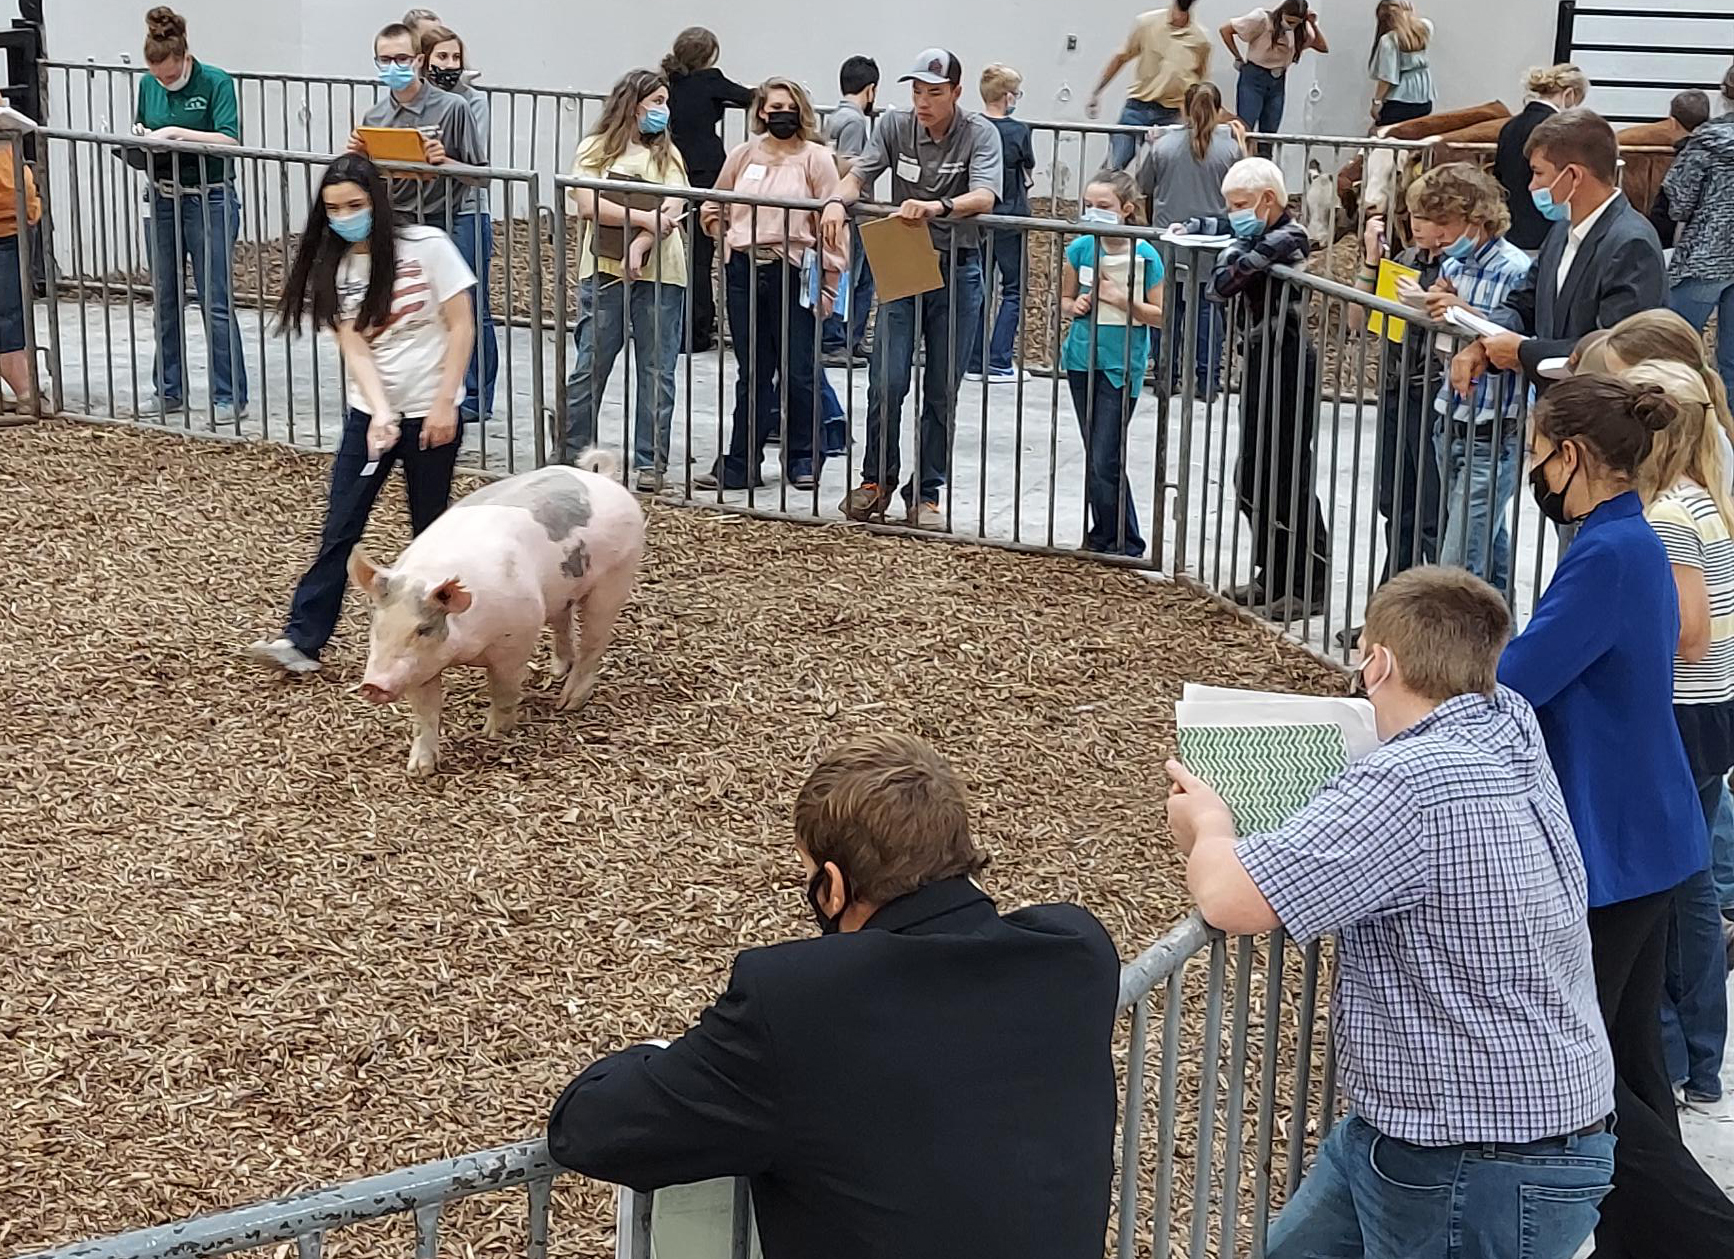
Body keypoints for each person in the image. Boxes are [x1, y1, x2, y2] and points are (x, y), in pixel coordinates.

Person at [1166, 565, 1616, 1259]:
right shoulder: (1509, 720)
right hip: (1428, 1132)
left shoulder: (1412, 781)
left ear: (1377, 662)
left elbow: (1230, 897)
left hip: (1472, 1156)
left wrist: (1210, 823)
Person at [545, 733, 1121, 1259]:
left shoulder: (801, 1000)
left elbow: (591, 1129)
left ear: (833, 886)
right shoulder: (1073, 952)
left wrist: (652, 1053)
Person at [1498, 373, 1734, 1254]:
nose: (1532, 467)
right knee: (1630, 1059)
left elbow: (1521, 676)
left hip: (1615, 843)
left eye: (1537, 451)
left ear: (1574, 456)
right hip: (1647, 831)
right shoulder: (1625, 536)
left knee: (1580, 1077)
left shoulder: (1604, 553)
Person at [249, 154, 474, 676]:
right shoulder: (336, 265)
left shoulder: (428, 247)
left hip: (431, 408)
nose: (345, 216)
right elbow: (353, 347)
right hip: (371, 413)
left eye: (355, 205)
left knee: (430, 529)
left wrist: (444, 403)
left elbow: (461, 325)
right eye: (333, 209)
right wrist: (378, 412)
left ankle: (445, 637)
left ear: (377, 200)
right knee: (341, 525)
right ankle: (304, 638)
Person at [820, 48, 1000, 531]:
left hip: (959, 268)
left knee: (941, 388)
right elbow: (860, 175)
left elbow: (985, 194)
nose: (923, 102)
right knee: (886, 379)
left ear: (956, 94)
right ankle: (875, 480)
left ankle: (927, 492)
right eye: (917, 91)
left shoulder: (981, 132)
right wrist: (837, 201)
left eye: (934, 93)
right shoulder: (893, 126)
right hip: (904, 261)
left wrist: (936, 206)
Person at [1630, 359, 1733, 1107]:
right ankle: (1698, 1057)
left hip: (1680, 712)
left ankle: (1673, 1051)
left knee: (1672, 891)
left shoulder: (1669, 515)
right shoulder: (1709, 503)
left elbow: (1689, 634)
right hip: (1710, 712)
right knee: (1690, 885)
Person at [1182, 157, 1326, 620]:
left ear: (1268, 200)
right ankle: (1272, 572)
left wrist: (1230, 255)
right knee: (1253, 474)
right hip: (1261, 356)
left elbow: (1224, 282)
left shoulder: (1290, 236)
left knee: (1286, 473)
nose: (1233, 213)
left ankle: (1306, 582)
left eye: (1241, 204)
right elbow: (1223, 252)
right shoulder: (1256, 235)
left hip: (1287, 357)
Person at [692, 78, 844, 494]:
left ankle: (803, 459)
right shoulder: (743, 156)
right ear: (761, 111)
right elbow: (713, 202)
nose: (782, 114)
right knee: (752, 372)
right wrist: (720, 230)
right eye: (774, 106)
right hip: (745, 269)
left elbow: (833, 224)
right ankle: (740, 462)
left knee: (799, 369)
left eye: (790, 107)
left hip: (793, 270)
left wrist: (830, 283)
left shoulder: (817, 159)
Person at [1456, 109, 1666, 400]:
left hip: (1598, 413)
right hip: (1554, 406)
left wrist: (1522, 351)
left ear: (1573, 176)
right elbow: (1524, 301)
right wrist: (1485, 345)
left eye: (1539, 173)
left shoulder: (1631, 243)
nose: (1531, 186)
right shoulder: (1560, 232)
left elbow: (1616, 347)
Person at [1408, 163, 1532, 595]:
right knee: (1488, 546)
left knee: (1458, 561)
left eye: (1446, 224)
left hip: (1494, 429)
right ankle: (1507, 650)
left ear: (1477, 218)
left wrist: (1465, 314)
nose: (1438, 236)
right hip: (1451, 418)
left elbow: (1519, 338)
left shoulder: (1514, 269)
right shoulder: (1455, 266)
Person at [564, 69, 690, 492]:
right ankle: (572, 452)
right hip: (602, 270)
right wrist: (644, 219)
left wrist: (641, 242)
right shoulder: (594, 150)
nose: (662, 110)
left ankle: (651, 462)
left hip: (662, 273)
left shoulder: (668, 155)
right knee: (591, 363)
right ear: (632, 104)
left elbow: (676, 202)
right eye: (656, 101)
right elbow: (587, 202)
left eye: (664, 102)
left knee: (658, 368)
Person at [129, 6, 247, 423]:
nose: (164, 81)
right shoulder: (147, 85)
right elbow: (142, 125)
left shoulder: (215, 81)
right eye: (157, 76)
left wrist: (179, 134)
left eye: (170, 73)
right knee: (165, 297)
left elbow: (230, 139)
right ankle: (168, 388)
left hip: (209, 194)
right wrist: (142, 141)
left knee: (214, 298)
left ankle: (229, 393)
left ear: (183, 58)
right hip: (163, 194)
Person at [1060, 170, 1165, 557]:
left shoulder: (1146, 254)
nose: (1094, 213)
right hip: (1081, 359)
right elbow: (1066, 299)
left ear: (1126, 210)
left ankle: (1125, 540)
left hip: (1121, 364)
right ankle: (1104, 533)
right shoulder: (1081, 249)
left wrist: (1125, 302)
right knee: (1096, 451)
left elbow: (1161, 313)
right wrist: (1077, 305)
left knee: (1106, 453)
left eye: (1103, 207)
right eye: (1089, 205)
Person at [1351, 207, 1443, 627]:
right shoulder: (1403, 264)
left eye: (1429, 216)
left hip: (1434, 395)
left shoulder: (1454, 269)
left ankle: (1431, 620)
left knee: (1430, 514)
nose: (1418, 223)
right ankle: (1393, 618)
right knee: (1396, 505)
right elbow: (1361, 321)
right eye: (1415, 216)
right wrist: (1372, 261)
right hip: (1395, 390)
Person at [1138, 80, 1239, 399]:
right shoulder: (1231, 148)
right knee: (1209, 309)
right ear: (1219, 110)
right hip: (1214, 239)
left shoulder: (1163, 146)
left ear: (1183, 108)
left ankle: (1166, 375)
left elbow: (1144, 184)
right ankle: (1208, 381)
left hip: (1170, 238)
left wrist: (1150, 144)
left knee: (1168, 308)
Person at [421, 24, 497, 424]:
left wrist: (441, 159)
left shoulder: (471, 103)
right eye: (442, 57)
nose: (450, 65)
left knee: (472, 303)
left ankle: (478, 394)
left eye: (456, 57)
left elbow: (477, 162)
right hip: (424, 211)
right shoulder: (410, 100)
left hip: (466, 210)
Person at [663, 27, 753, 356]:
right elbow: (747, 96)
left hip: (674, 168)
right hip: (707, 170)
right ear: (709, 56)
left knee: (687, 252)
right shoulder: (710, 81)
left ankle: (695, 323)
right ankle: (699, 327)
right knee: (704, 256)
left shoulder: (668, 83)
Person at [349, 23, 483, 232]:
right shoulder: (374, 117)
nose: (393, 67)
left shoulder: (454, 107)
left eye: (402, 59)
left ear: (419, 60)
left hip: (445, 220)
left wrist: (443, 162)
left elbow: (481, 178)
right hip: (393, 219)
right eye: (385, 60)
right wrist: (359, 158)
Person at [1664, 66, 1734, 404]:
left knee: (1671, 349)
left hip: (1706, 256)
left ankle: (1672, 428)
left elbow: (1678, 202)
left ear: (1724, 93)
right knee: (1732, 363)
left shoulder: (1707, 140)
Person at [965, 64, 1033, 385]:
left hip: (979, 216)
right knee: (1014, 289)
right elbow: (1027, 170)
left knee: (978, 287)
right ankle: (1000, 358)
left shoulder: (972, 127)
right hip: (1011, 216)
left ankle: (974, 358)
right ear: (1008, 97)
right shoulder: (1019, 132)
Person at [1088, 1, 1212, 171]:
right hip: (1139, 106)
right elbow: (1121, 56)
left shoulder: (1201, 39)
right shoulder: (1147, 23)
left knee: (1166, 169)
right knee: (1115, 164)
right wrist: (1097, 91)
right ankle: (1098, 194)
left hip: (1174, 113)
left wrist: (1194, 116)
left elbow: (1199, 81)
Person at [821, 55, 880, 366]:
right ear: (870, 89)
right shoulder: (856, 120)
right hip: (852, 208)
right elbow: (847, 162)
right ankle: (838, 340)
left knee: (857, 275)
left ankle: (849, 339)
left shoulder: (836, 116)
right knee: (851, 275)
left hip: (843, 208)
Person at [1495, 64, 1590, 253]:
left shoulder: (1510, 126)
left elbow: (1499, 173)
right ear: (1569, 94)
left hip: (1510, 226)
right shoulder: (1558, 129)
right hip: (1544, 228)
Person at [1220, 0, 1328, 135]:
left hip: (1277, 79)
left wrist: (1312, 23)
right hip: (1254, 75)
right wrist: (1237, 57)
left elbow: (1323, 47)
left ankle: (1265, 153)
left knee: (1270, 130)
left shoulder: (1300, 31)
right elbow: (1226, 30)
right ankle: (1244, 153)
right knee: (1246, 126)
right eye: (1288, 21)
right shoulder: (1262, 19)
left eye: (1295, 23)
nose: (1290, 26)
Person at [0, 128, 41, 418]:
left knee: (11, 310)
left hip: (13, 222)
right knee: (9, 314)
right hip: (8, 222)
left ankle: (25, 391)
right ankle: (25, 391)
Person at [1366, 0, 1433, 128]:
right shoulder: (1425, 29)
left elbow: (1387, 78)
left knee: (1379, 135)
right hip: (1424, 99)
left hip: (1398, 101)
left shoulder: (1389, 41)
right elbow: (1416, 20)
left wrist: (1376, 102)